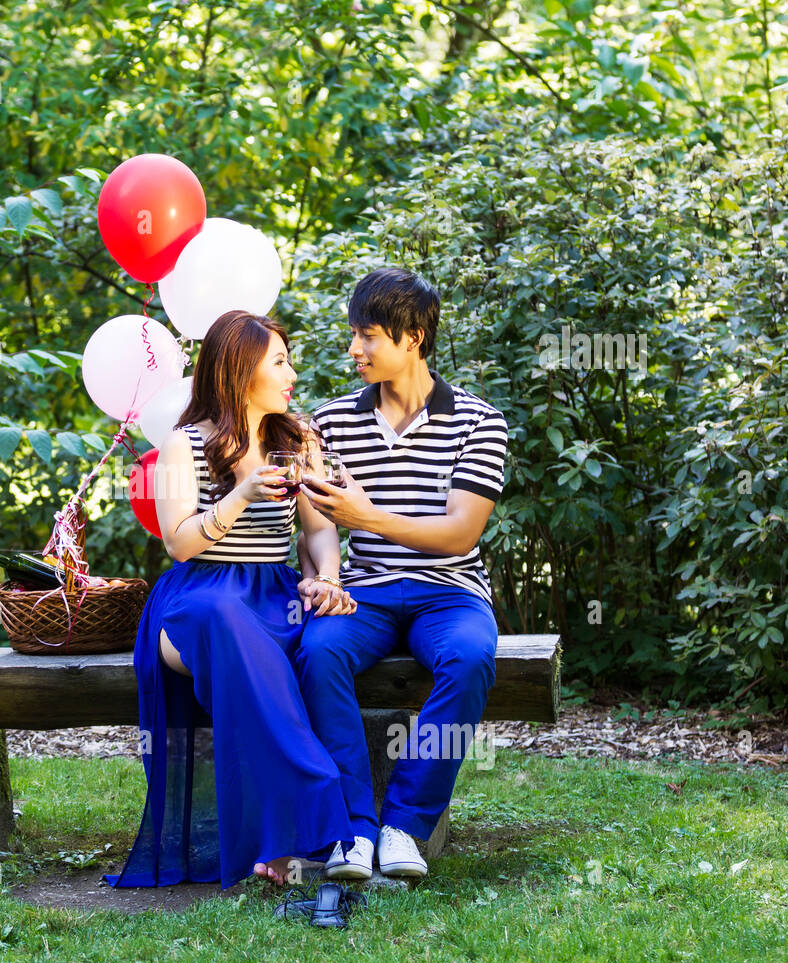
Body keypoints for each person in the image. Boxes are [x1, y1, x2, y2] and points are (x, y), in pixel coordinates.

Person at [102, 309, 378, 892]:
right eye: (280, 362)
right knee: (230, 621)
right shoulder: (186, 444)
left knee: (309, 647)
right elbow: (179, 542)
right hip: (200, 595)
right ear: (238, 371)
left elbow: (319, 529)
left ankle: (282, 835)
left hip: (274, 591)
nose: (292, 374)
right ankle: (308, 807)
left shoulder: (297, 439)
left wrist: (327, 579)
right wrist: (241, 495)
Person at [293, 266, 509, 878]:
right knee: (319, 653)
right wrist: (326, 576)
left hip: (451, 594)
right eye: (352, 334)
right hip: (364, 593)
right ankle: (352, 831)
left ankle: (404, 827)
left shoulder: (478, 421)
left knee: (469, 659)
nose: (353, 349)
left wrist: (370, 514)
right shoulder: (329, 422)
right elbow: (318, 525)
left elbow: (461, 534)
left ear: (412, 337)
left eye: (368, 336)